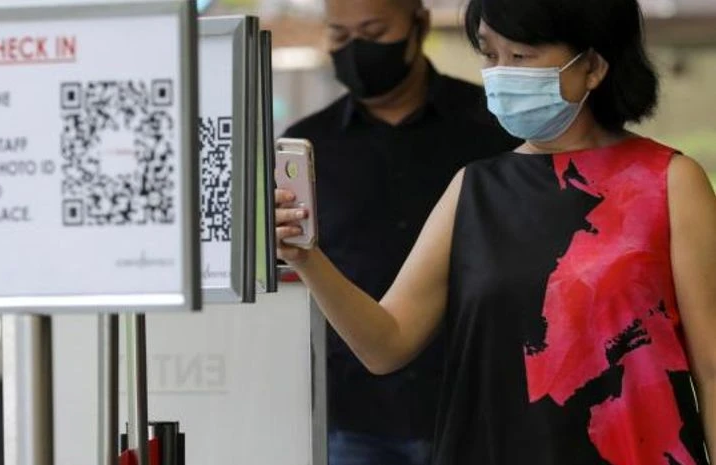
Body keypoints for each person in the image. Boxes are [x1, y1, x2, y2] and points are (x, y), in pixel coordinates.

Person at [276, 0, 716, 462]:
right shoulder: (473, 188)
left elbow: (710, 367)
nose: (501, 73)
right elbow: (385, 345)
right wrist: (307, 257)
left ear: (592, 66)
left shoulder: (667, 181)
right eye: (490, 55)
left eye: (521, 57)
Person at [281, 0, 518, 463]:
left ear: (419, 25)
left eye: (372, 31)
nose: (357, 50)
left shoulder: (493, 128)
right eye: (341, 36)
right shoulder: (308, 144)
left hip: (477, 402)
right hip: (354, 412)